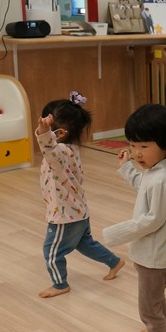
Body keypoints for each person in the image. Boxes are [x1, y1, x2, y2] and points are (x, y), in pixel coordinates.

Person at [103, 104, 166, 332]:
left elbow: (153, 219)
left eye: (144, 146)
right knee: (156, 296)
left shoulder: (162, 179)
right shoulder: (157, 171)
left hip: (155, 256)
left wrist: (116, 233)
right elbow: (143, 187)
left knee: (148, 308)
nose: (137, 153)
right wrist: (127, 169)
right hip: (155, 254)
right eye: (132, 145)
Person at [35, 91, 124, 299]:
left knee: (52, 251)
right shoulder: (71, 150)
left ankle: (60, 284)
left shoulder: (59, 152)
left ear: (59, 133)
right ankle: (114, 262)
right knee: (84, 244)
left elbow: (48, 147)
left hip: (64, 216)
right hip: (78, 211)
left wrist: (43, 131)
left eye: (49, 126)